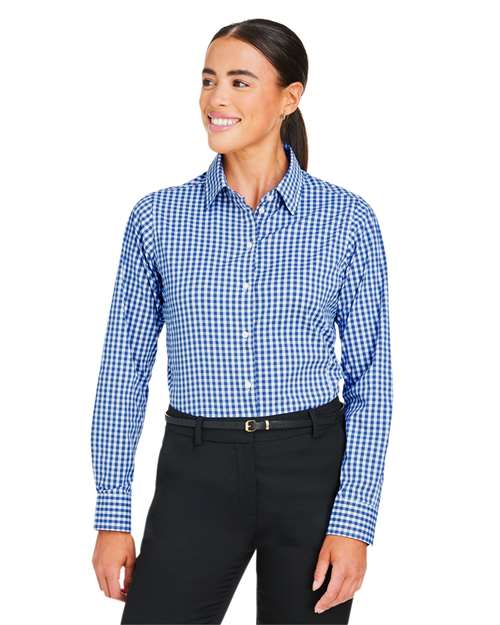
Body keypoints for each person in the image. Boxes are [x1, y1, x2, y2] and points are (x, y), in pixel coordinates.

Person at [90, 17, 393, 625]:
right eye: (208, 80)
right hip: (196, 469)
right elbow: (123, 371)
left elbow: (370, 379)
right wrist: (112, 514)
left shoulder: (347, 220)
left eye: (239, 81)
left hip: (311, 470)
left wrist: (355, 522)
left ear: (290, 97)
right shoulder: (158, 219)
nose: (217, 99)